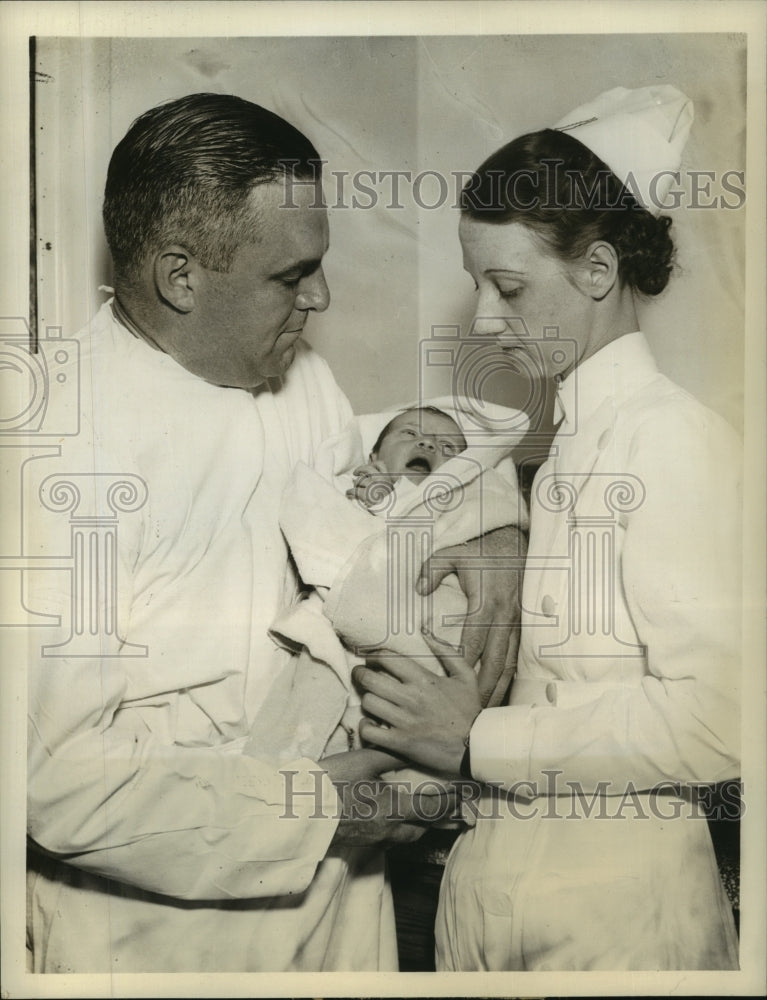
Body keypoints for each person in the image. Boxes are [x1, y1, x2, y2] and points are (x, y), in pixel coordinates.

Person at [24, 93, 525, 973]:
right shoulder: (60, 456)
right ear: (181, 278)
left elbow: (376, 521)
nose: (321, 295)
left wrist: (488, 530)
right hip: (165, 937)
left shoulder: (304, 384)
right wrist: (321, 810)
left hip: (338, 910)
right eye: (291, 276)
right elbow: (51, 782)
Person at [353, 85, 742, 970]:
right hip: (502, 898)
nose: (486, 321)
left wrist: (476, 741)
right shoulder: (568, 449)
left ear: (598, 273)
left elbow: (725, 716)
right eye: (478, 285)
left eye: (508, 286)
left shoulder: (672, 440)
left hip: (616, 918)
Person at [245, 397, 529, 785]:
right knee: (307, 724)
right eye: (411, 434)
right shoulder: (353, 485)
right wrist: (370, 495)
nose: (429, 446)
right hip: (347, 633)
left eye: (450, 448)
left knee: (414, 761)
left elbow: (488, 521)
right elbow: (325, 530)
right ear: (374, 452)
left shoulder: (462, 498)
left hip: (424, 625)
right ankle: (278, 788)